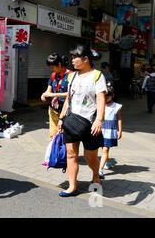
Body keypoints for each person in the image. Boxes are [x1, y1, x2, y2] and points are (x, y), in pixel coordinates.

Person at [57, 45, 107, 197]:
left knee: (90, 156)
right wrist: (61, 118)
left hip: (90, 124)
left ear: (85, 59)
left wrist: (99, 120)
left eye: (75, 57)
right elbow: (68, 99)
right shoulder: (72, 76)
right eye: (72, 57)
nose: (72, 60)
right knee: (71, 155)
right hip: (71, 121)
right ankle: (72, 186)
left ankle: (96, 175)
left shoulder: (97, 75)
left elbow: (101, 98)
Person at [41, 53, 70, 140]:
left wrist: (53, 95)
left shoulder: (71, 75)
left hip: (65, 112)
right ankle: (54, 153)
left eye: (53, 66)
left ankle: (64, 153)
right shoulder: (54, 75)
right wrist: (44, 95)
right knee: (53, 136)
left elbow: (71, 94)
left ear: (60, 64)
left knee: (63, 137)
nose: (51, 69)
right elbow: (48, 90)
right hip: (53, 110)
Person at [98, 83, 122, 179]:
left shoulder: (116, 106)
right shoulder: (99, 105)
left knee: (105, 149)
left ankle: (100, 170)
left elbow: (119, 118)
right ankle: (108, 161)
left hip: (110, 131)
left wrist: (120, 130)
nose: (106, 98)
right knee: (102, 148)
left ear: (112, 96)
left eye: (107, 96)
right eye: (104, 96)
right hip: (100, 130)